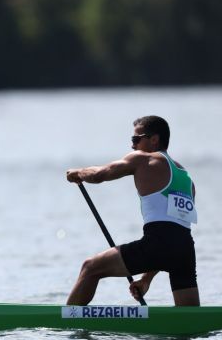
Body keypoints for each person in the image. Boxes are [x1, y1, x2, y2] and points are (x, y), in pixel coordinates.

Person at [66, 115, 200, 306]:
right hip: (185, 250)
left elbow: (100, 174)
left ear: (154, 139)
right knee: (191, 320)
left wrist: (78, 173)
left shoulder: (142, 159)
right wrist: (145, 280)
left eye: (136, 139)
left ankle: (65, 321)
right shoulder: (186, 179)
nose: (132, 146)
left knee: (90, 268)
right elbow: (172, 238)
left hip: (157, 244)